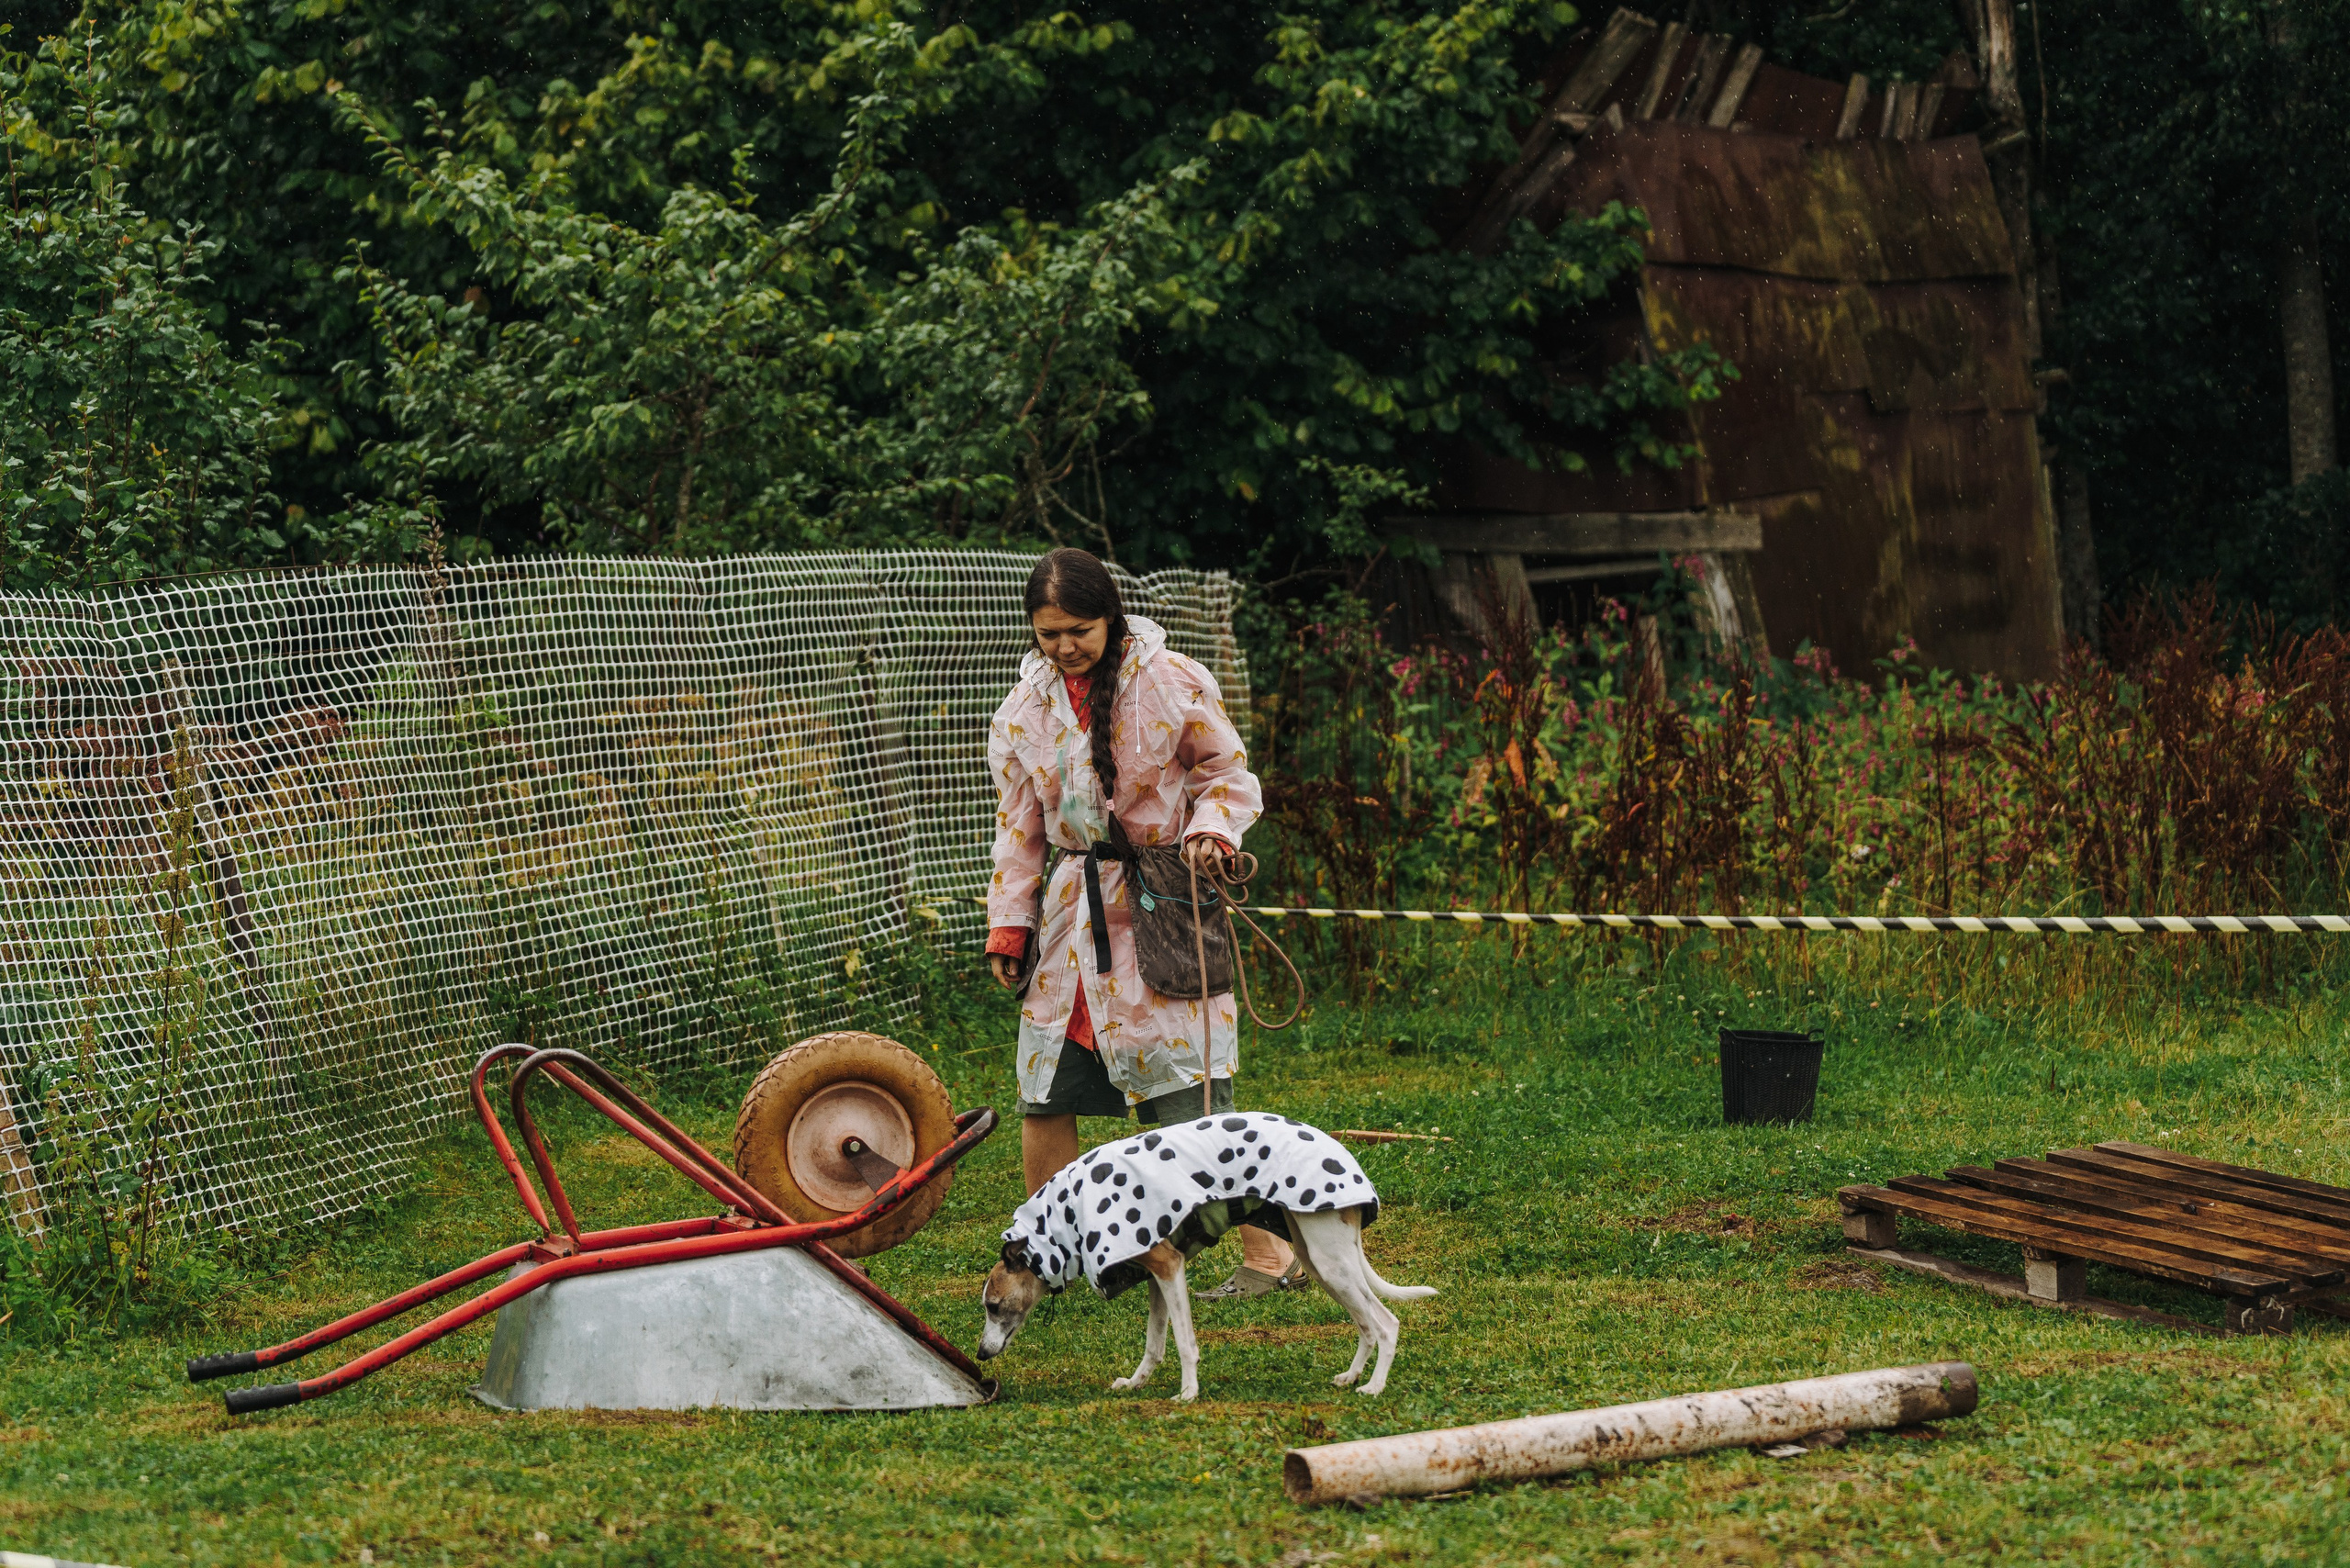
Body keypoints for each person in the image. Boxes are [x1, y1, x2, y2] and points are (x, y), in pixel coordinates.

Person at [983, 547, 1298, 1298]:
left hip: (1163, 898)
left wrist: (1213, 831)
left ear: (1110, 616)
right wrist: (1010, 924)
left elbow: (1226, 775)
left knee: (1191, 1094)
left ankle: (1270, 1257)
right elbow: (1019, 828)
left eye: (1079, 630)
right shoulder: (1024, 708)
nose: (1064, 647)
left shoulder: (1170, 680)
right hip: (1068, 920)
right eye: (1049, 632)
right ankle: (1051, 1255)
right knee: (1048, 1090)